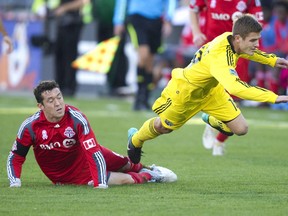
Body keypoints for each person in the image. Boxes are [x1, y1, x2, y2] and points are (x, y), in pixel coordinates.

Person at [126, 14, 288, 164]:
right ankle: (136, 140)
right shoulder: (220, 58)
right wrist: (273, 97)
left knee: (241, 128)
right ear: (238, 38)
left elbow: (247, 51)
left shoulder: (231, 39)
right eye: (253, 40)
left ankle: (210, 120)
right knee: (164, 127)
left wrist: (272, 60)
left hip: (211, 91)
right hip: (185, 93)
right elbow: (235, 88)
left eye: (257, 39)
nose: (257, 44)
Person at [7, 80, 177, 188]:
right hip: (71, 177)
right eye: (51, 101)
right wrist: (15, 181)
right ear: (41, 106)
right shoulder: (30, 127)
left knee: (125, 163)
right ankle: (151, 176)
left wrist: (100, 183)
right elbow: (16, 156)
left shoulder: (75, 119)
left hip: (90, 155)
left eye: (59, 97)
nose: (58, 103)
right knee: (126, 180)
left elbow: (93, 151)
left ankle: (145, 168)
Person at [189, 0, 263, 155]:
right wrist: (196, 33)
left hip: (238, 52)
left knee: (235, 98)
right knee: (207, 91)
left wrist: (243, 16)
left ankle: (219, 140)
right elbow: (193, 9)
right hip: (212, 52)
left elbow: (258, 20)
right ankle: (211, 121)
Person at [113, 0, 177, 110]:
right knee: (143, 55)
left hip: (156, 20)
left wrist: (168, 19)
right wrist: (118, 20)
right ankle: (139, 97)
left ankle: (145, 97)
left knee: (150, 61)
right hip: (137, 17)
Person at [53, 0, 86, 97]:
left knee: (70, 56)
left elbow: (83, 1)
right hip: (62, 22)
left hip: (73, 23)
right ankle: (59, 86)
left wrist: (64, 8)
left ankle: (69, 87)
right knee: (59, 54)